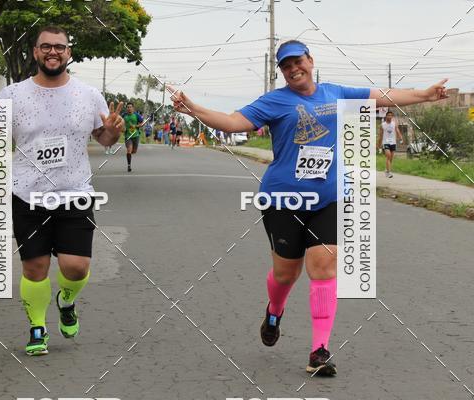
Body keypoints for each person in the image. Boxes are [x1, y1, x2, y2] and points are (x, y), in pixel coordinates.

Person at [170, 40, 448, 376]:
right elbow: (231, 121)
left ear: (310, 61)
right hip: (283, 200)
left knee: (324, 266)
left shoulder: (336, 93)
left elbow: (384, 96)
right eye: (286, 66)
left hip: (329, 198)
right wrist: (193, 108)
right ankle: (275, 311)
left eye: (297, 62)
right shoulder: (274, 101)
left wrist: (425, 95)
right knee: (286, 274)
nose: (293, 69)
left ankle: (319, 351)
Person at [0, 26, 124, 356]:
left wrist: (112, 132)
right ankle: (37, 328)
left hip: (74, 192)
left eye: (59, 46)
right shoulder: (13, 94)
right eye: (45, 46)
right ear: (35, 52)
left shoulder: (88, 95)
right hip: (27, 194)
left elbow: (104, 139)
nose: (53, 51)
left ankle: (66, 301)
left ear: (69, 53)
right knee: (34, 269)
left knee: (76, 267)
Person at [377, 110, 404, 178]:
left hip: (393, 142)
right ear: (386, 116)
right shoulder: (382, 125)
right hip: (385, 142)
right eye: (388, 115)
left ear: (392, 116)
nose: (390, 116)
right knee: (388, 156)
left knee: (391, 158)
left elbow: (397, 131)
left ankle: (386, 170)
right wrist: (378, 145)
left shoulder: (394, 124)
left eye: (391, 115)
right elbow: (380, 135)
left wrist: (401, 138)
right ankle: (389, 172)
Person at [122, 103, 145, 172]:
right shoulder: (124, 115)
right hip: (128, 136)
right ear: (126, 108)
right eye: (128, 107)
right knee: (129, 150)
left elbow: (142, 123)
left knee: (134, 151)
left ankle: (129, 154)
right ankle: (129, 165)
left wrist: (137, 126)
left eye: (130, 107)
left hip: (136, 135)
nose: (129, 108)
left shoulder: (136, 115)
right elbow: (120, 123)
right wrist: (122, 128)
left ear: (133, 108)